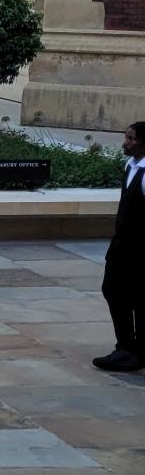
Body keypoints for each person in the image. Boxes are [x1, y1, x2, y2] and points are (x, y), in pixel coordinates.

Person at [94, 121, 145, 373]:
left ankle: (134, 352)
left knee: (138, 298)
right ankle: (126, 346)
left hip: (140, 251)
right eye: (126, 137)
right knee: (112, 290)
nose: (125, 142)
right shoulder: (131, 165)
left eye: (131, 139)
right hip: (121, 247)